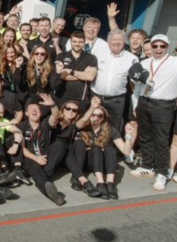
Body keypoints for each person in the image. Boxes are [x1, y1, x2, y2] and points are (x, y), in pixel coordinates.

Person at [130, 34, 177, 191]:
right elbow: (136, 84)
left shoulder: (175, 63)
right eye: (155, 46)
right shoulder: (144, 62)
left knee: (161, 140)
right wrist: (136, 104)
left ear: (167, 47)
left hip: (164, 106)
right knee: (146, 137)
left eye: (162, 46)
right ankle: (147, 166)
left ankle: (162, 173)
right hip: (144, 102)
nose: (158, 49)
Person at [70, 98, 137, 200]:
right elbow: (82, 124)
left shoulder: (110, 130)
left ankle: (110, 184)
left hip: (100, 164)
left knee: (110, 149)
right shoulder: (83, 126)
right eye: (93, 114)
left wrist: (128, 135)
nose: (96, 117)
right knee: (96, 149)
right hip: (85, 162)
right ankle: (100, 183)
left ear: (103, 118)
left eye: (99, 115)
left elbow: (126, 151)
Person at [17, 95, 65, 206]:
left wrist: (52, 105)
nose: (35, 111)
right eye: (31, 110)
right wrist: (36, 158)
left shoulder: (45, 123)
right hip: (31, 158)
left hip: (45, 157)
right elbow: (22, 149)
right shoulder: (21, 126)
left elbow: (55, 116)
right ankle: (53, 194)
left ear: (41, 113)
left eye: (37, 109)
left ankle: (42, 177)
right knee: (34, 167)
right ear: (27, 113)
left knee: (60, 144)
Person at [90, 29, 137, 133]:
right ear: (108, 41)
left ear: (124, 42)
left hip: (117, 100)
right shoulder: (97, 53)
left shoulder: (132, 58)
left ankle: (112, 149)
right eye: (114, 39)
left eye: (120, 40)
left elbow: (134, 83)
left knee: (114, 128)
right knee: (93, 125)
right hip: (96, 98)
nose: (117, 42)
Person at [56, 31, 97, 109]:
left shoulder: (91, 58)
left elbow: (90, 77)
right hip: (62, 97)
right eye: (74, 41)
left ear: (84, 42)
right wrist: (83, 74)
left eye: (80, 42)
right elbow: (61, 75)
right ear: (70, 42)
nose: (77, 44)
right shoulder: (61, 56)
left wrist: (70, 71)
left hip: (81, 98)